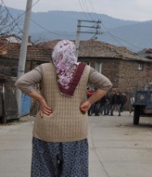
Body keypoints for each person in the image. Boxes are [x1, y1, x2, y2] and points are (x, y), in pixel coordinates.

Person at [15, 40, 112, 177]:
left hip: (46, 131)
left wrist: (41, 99)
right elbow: (106, 84)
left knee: (43, 171)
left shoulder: (44, 69)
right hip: (75, 131)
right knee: (74, 172)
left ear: (55, 53)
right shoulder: (85, 70)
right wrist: (89, 102)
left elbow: (21, 82)